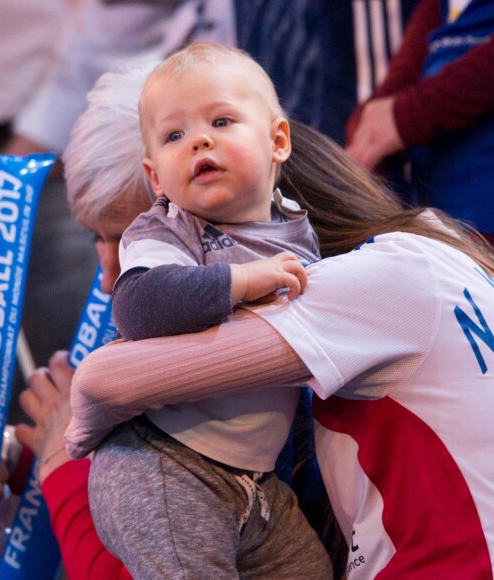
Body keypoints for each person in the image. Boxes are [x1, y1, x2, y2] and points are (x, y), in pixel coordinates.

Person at [66, 114, 494, 577]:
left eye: (180, 245)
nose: (115, 278)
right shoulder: (433, 244)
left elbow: (101, 382)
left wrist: (64, 458)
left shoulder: (368, 284)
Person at [65, 41, 332, 579]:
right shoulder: (167, 233)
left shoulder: (303, 228)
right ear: (159, 182)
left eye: (222, 121)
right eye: (175, 137)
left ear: (276, 142)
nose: (105, 278)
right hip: (165, 463)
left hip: (258, 484)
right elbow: (133, 316)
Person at [346, 0, 494, 244]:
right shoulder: (437, 7)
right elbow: (391, 91)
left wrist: (404, 116)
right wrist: (368, 129)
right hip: (446, 229)